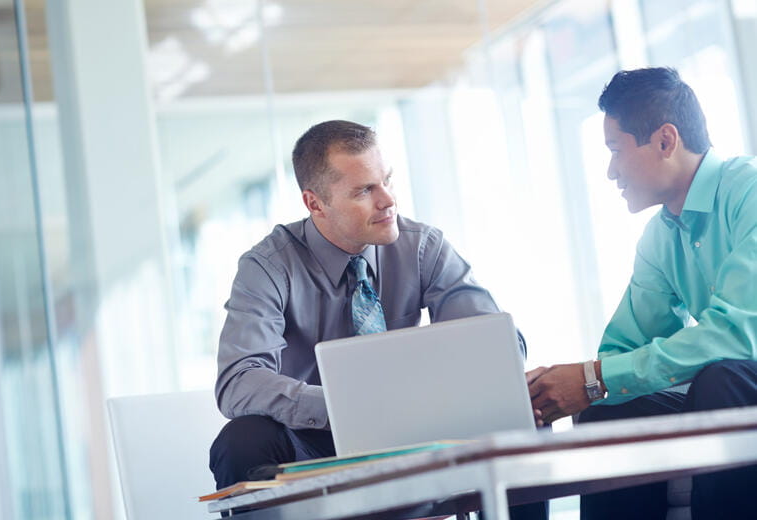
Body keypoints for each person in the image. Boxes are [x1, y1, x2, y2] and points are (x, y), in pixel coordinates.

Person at [209, 119, 546, 519]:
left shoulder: (422, 246)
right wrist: (352, 408)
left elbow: (493, 346)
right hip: (319, 437)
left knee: (525, 418)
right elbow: (238, 381)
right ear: (315, 203)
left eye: (386, 180)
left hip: (420, 430)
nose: (388, 201)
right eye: (365, 190)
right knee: (242, 440)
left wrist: (460, 395)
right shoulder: (267, 267)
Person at [526, 67, 757, 519]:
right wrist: (571, 387)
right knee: (606, 406)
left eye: (615, 150)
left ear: (665, 141)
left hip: (739, 378)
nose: (611, 171)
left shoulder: (749, 192)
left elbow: (737, 336)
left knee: (722, 380)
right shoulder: (659, 236)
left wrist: (596, 377)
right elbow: (620, 353)